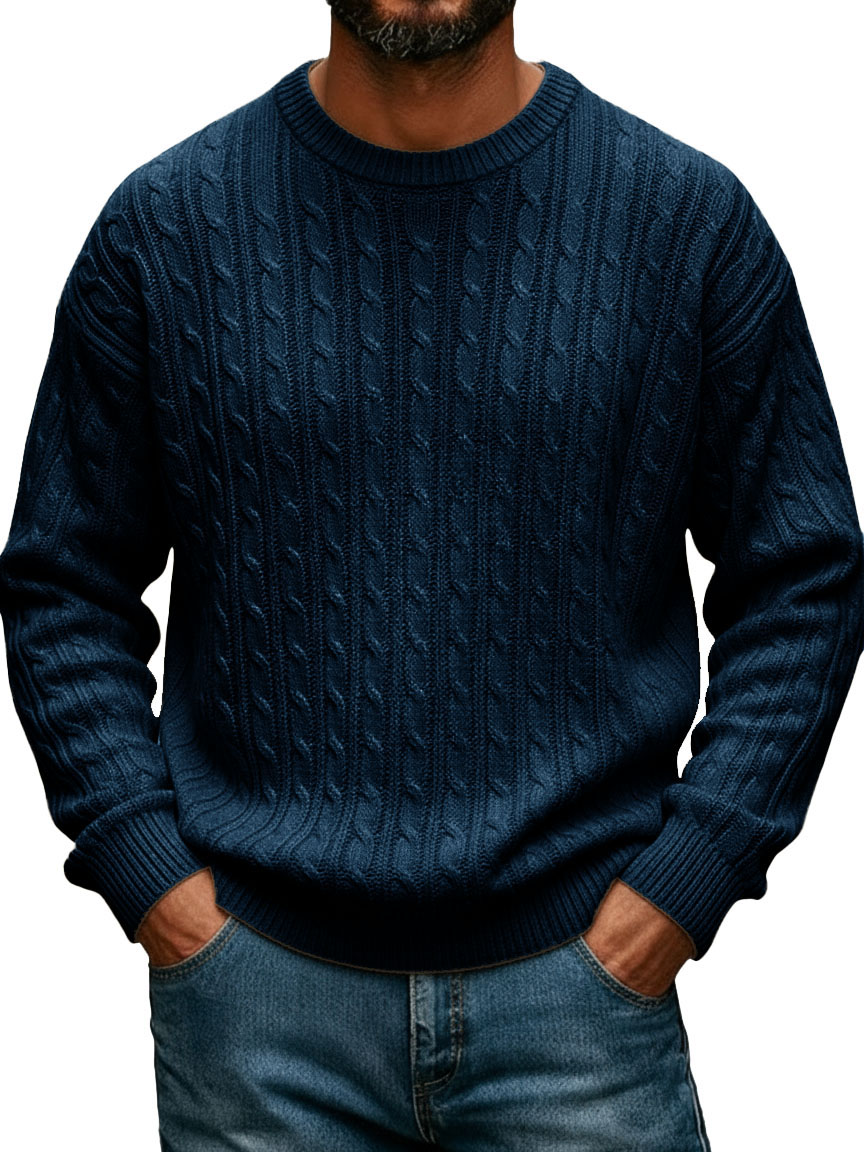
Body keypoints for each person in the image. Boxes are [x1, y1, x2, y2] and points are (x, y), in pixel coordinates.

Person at [1, 0, 862, 1147]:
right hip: (255, 1016)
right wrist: (149, 875)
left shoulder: (684, 222)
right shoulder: (166, 229)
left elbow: (803, 573)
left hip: (583, 1003)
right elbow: (64, 581)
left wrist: (689, 877)